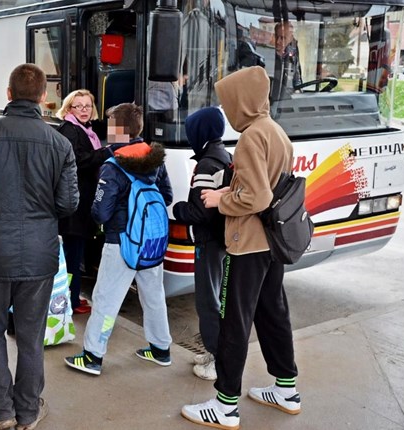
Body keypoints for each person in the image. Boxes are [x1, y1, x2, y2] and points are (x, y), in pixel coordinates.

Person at [0, 63, 78, 430]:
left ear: (8, 94)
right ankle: (27, 410)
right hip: (39, 254)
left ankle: (0, 412)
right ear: (43, 98)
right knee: (30, 333)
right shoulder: (60, 143)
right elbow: (68, 203)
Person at [181, 66, 300, 430]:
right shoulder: (276, 131)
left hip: (247, 243)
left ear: (241, 102)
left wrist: (221, 199)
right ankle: (286, 389)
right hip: (273, 242)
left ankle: (225, 405)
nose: (227, 109)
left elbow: (256, 197)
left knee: (234, 322)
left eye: (228, 101)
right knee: (272, 314)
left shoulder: (251, 137)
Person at [64, 102, 173, 377]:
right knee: (154, 295)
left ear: (118, 130)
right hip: (151, 241)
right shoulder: (154, 158)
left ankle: (92, 356)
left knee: (105, 299)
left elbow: (100, 211)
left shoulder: (113, 165)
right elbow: (167, 196)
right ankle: (161, 350)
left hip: (121, 240)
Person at [171, 107, 232, 381]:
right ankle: (213, 351)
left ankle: (216, 359)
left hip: (208, 240)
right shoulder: (224, 156)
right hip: (222, 238)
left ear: (201, 132)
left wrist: (176, 208)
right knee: (217, 297)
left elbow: (199, 210)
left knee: (208, 301)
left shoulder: (207, 164)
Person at [55, 89, 112, 315]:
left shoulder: (86, 131)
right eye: (78, 106)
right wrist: (107, 152)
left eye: (87, 106)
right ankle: (71, 299)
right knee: (73, 253)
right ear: (69, 109)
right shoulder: (71, 131)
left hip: (80, 201)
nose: (84, 110)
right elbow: (79, 161)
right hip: (75, 203)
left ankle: (72, 295)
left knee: (75, 251)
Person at [271, 21, 302, 100]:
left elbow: (297, 79)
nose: (278, 41)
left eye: (283, 38)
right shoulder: (266, 53)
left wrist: (297, 92)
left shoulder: (293, 54)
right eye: (276, 36)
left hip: (287, 102)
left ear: (290, 38)